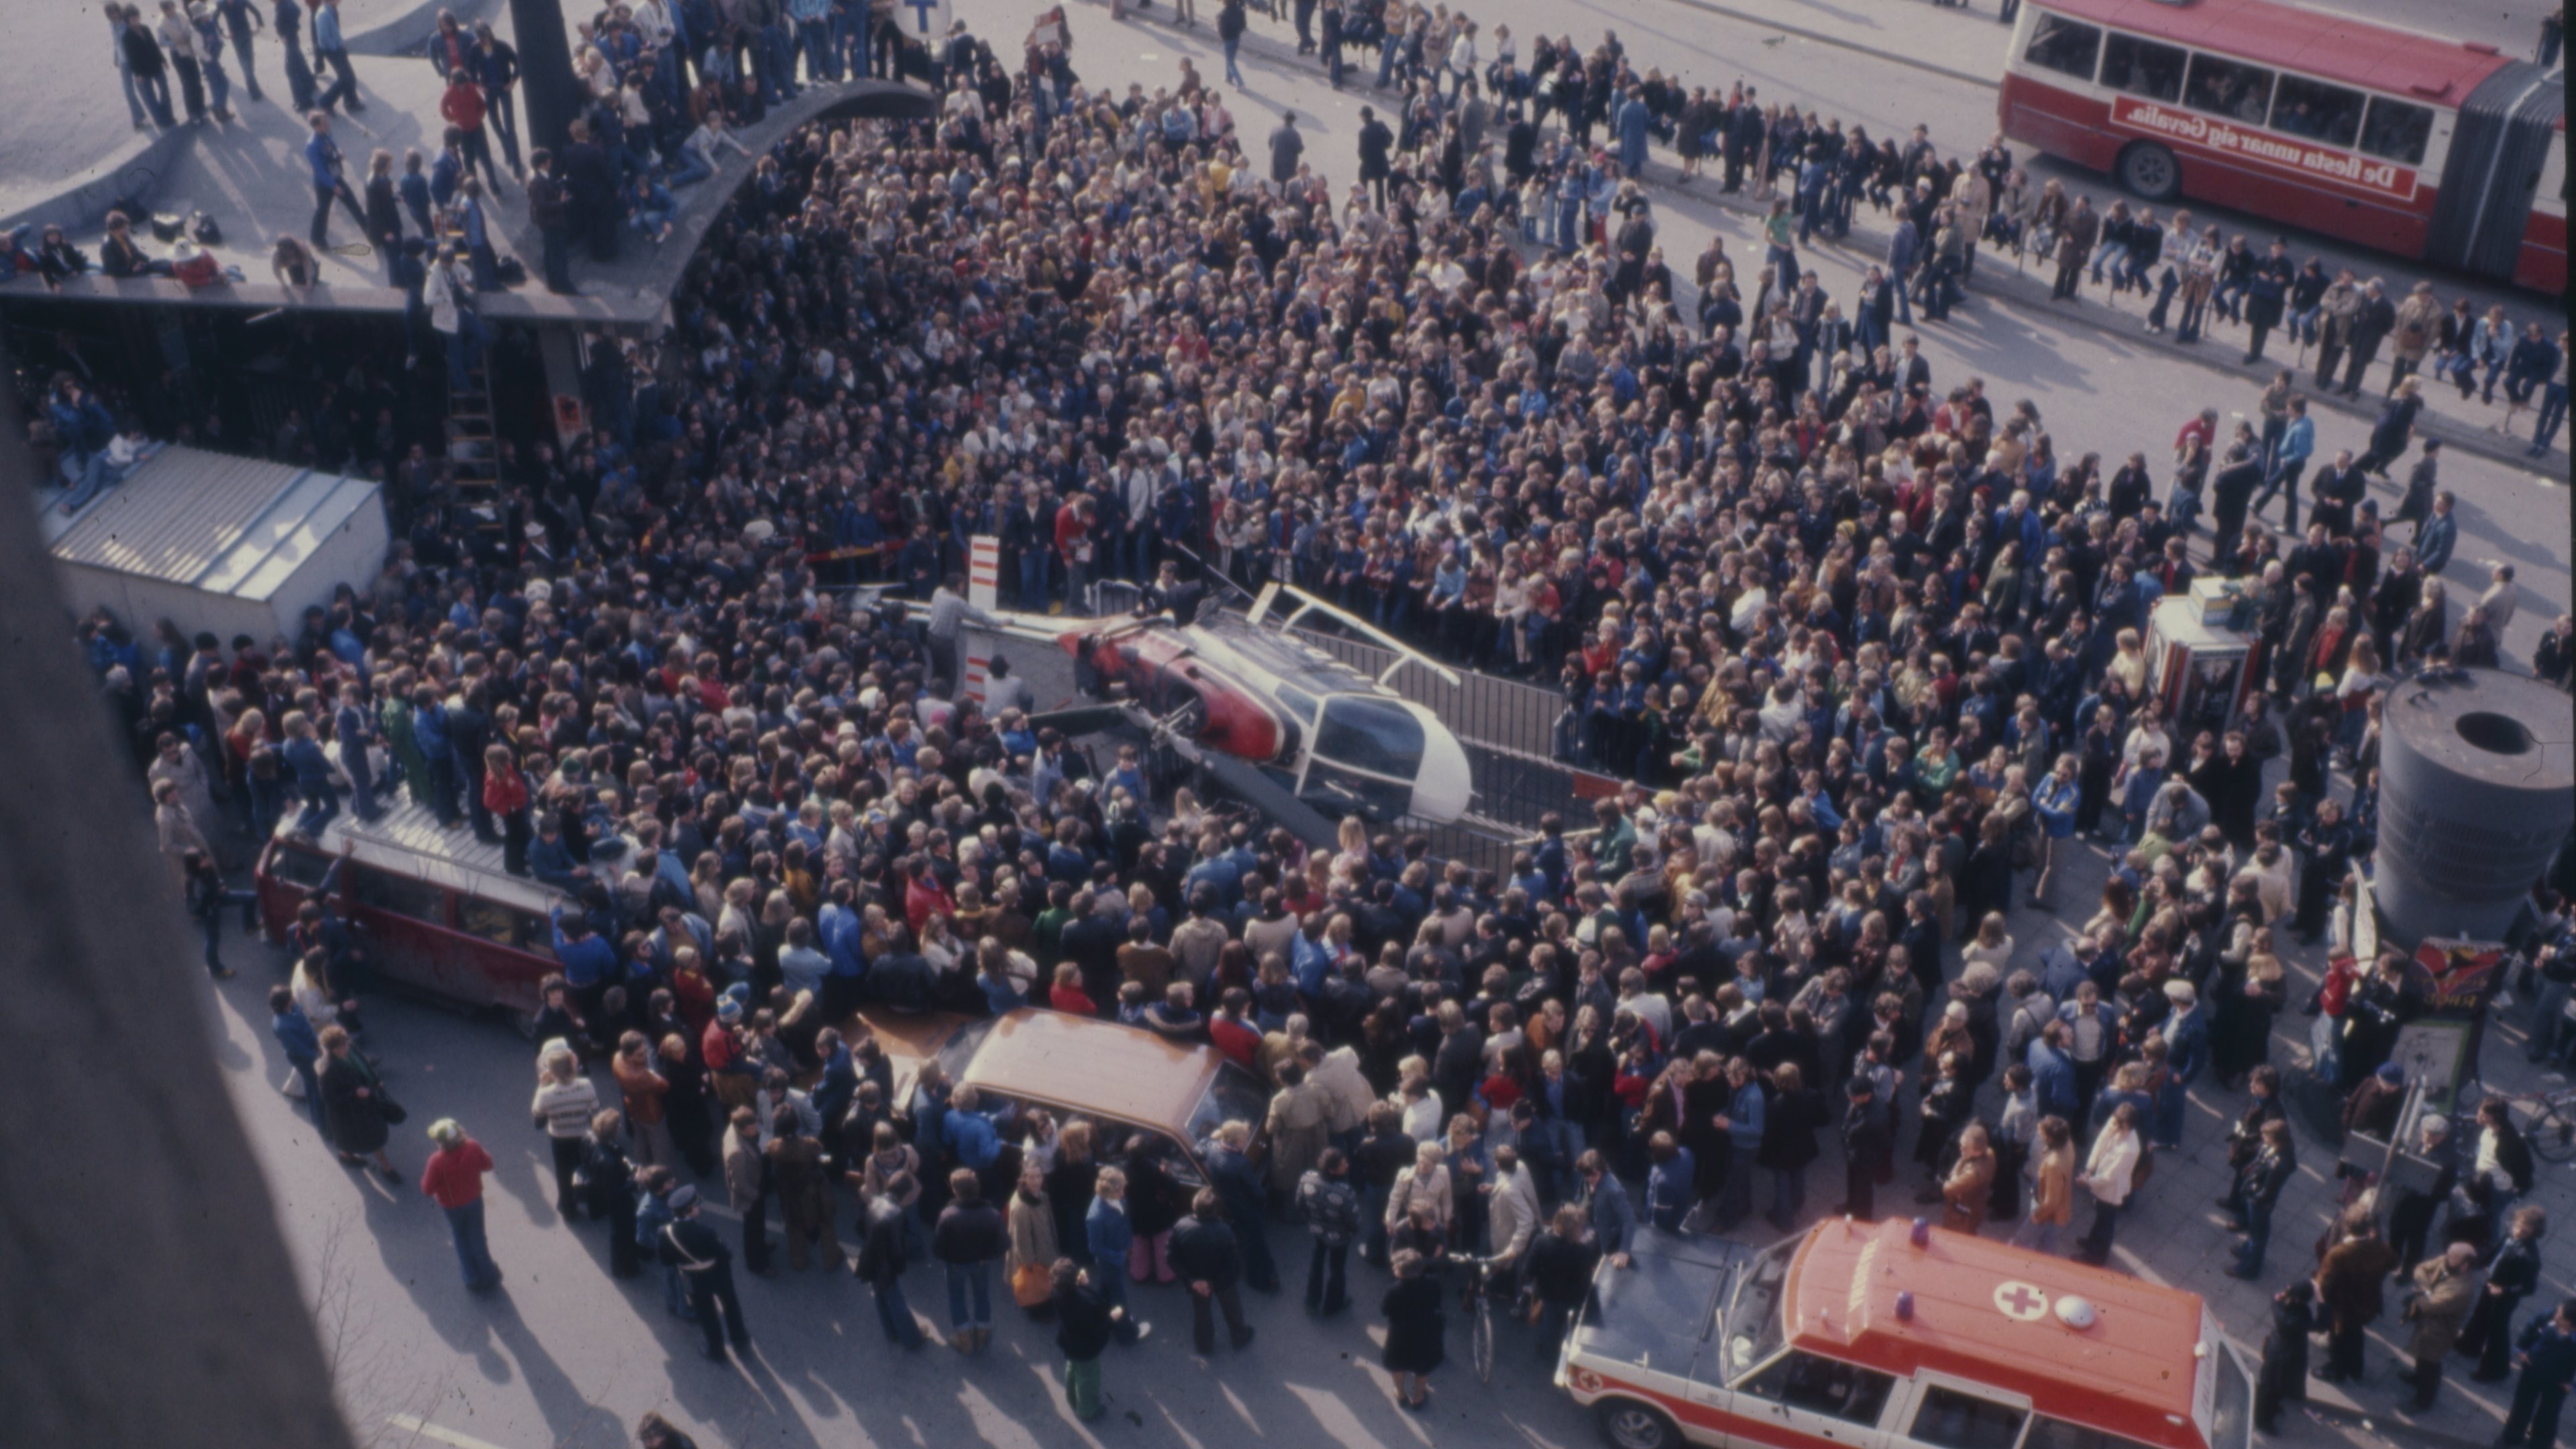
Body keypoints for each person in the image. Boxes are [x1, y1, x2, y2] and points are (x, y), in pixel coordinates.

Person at [659, 1185, 753, 1360]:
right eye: (696, 1205)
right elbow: (725, 1254)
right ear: (689, 1211)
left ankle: (716, 1350)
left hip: (694, 1278)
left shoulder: (665, 1233)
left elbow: (666, 1260)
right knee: (730, 1305)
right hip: (718, 1274)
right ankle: (739, 1337)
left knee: (707, 1314)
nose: (699, 1207)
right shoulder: (705, 1232)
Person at [1171, 1186, 1257, 1352]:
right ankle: (1239, 1337)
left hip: (1196, 1279)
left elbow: (1172, 1257)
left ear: (1194, 1207)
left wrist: (1191, 1281)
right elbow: (1233, 1266)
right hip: (1222, 1281)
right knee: (1232, 1309)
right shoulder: (1225, 1231)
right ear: (1215, 1211)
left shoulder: (1181, 1226)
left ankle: (1204, 1345)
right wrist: (1215, 1285)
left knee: (1201, 1312)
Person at [420, 1119, 502, 1291]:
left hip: (451, 1206)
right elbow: (487, 1165)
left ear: (439, 1141)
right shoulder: (472, 1147)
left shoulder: (436, 1161)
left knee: (460, 1236)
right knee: (477, 1235)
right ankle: (489, 1274)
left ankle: (471, 1278)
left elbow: (427, 1189)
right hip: (474, 1200)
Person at [2314, 1217, 2398, 1383]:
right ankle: (2356, 1368)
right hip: (2368, 1302)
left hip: (2343, 1305)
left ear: (2347, 1228)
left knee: (2338, 1338)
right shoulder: (2381, 1248)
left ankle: (2337, 1371)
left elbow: (2323, 1284)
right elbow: (2394, 1263)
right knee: (2355, 1333)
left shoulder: (2339, 1253)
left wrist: (2321, 1304)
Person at [933, 1167, 1006, 1352]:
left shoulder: (948, 1215)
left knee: (957, 1298)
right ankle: (982, 1334)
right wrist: (986, 1255)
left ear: (955, 1191)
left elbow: (938, 1248)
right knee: (982, 1295)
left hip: (956, 1265)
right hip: (981, 1263)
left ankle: (964, 1339)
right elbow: (1003, 1243)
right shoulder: (991, 1213)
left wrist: (952, 1257)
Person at [2404, 1244, 2481, 1411]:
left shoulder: (2461, 1290)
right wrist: (2426, 1290)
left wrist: (2419, 1295)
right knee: (2422, 1357)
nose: (2446, 1258)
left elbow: (2430, 1306)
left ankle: (2423, 1401)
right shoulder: (2448, 1263)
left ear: (2464, 1266)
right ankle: (2417, 1378)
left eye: (2453, 1258)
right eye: (2448, 1254)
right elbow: (2421, 1268)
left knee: (2429, 1364)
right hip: (2429, 1323)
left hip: (2439, 1332)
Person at [317, 1024, 399, 1179]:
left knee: (354, 1139)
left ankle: (346, 1155)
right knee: (373, 1139)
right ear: (335, 1048)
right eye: (344, 1044)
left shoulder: (348, 1050)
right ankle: (386, 1168)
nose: (348, 1045)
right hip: (351, 1112)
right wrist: (355, 1093)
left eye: (347, 1042)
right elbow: (328, 1098)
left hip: (361, 1106)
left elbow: (363, 1064)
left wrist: (375, 1080)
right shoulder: (328, 1070)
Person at [2501, 1299, 2576, 1448]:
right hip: (2533, 1369)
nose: (2556, 1317)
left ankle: (2540, 1444)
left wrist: (2572, 1385)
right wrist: (2521, 1350)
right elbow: (2530, 1328)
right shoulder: (2547, 1317)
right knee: (2522, 1405)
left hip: (2558, 1382)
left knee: (2548, 1415)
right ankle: (2511, 1437)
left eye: (2561, 1318)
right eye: (2557, 1312)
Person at [2072, 1101, 2139, 1267]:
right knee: (2101, 1217)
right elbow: (2100, 1143)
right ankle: (2093, 1242)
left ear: (2128, 1126)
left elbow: (2109, 1177)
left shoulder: (2128, 1150)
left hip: (2111, 1190)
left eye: (2119, 1126)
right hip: (2102, 1182)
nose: (2114, 1128)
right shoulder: (2116, 1122)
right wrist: (2089, 1168)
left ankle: (2097, 1256)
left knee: (2106, 1221)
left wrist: (2087, 1181)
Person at [1051, 1259, 1118, 1421]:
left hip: (1069, 1341)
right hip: (1086, 1348)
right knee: (1088, 1378)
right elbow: (1099, 1319)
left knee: (1072, 1368)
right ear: (1074, 1280)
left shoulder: (1056, 1293)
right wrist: (1112, 1318)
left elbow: (1074, 1296)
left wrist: (1080, 1285)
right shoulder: (1086, 1302)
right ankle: (1087, 1409)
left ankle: (1072, 1398)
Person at [1295, 1146, 1360, 1314]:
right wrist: (1353, 1231)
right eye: (1343, 1164)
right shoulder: (1345, 1193)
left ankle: (1312, 1300)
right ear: (1333, 1170)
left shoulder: (1307, 1179)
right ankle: (1333, 1304)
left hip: (1317, 1229)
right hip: (1339, 1237)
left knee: (1317, 1262)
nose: (1347, 1165)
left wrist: (1314, 1219)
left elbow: (1299, 1204)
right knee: (1337, 1269)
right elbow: (1353, 1221)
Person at [1381, 1248, 1446, 1412]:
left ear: (1402, 1273)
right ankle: (1418, 1396)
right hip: (1426, 1331)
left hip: (1400, 1334)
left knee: (1398, 1365)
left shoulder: (1394, 1291)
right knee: (1422, 1367)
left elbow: (1385, 1310)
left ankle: (1401, 1393)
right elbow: (1437, 1302)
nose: (1394, 1269)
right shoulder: (1433, 1283)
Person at [2253, 1280, 2314, 1436]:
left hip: (2278, 1349)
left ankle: (2270, 1409)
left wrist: (2282, 1295)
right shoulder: (2297, 1318)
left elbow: (2276, 1298)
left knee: (2272, 1387)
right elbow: (2321, 1325)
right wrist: (2322, 1303)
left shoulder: (2281, 1306)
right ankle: (2263, 1421)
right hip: (2283, 1357)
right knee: (2272, 1389)